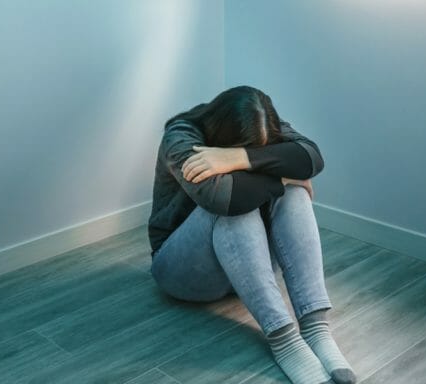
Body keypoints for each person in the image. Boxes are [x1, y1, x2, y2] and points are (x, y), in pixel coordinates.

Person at [147, 85, 357, 384]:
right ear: (220, 132)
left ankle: (315, 328)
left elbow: (312, 158)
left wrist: (241, 158)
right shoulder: (180, 137)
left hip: (244, 269)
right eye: (238, 148)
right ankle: (284, 339)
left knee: (294, 195)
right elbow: (221, 199)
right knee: (236, 207)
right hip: (181, 272)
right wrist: (283, 176)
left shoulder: (263, 125)